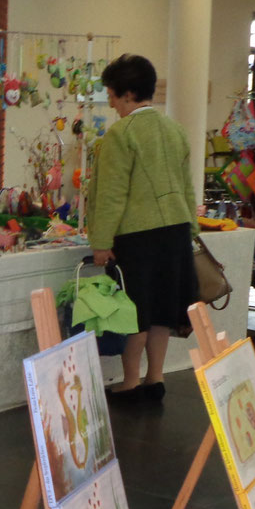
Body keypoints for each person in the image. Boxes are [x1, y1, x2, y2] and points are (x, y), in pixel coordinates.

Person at [87, 54, 198, 403]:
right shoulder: (175, 129)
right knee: (163, 309)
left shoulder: (121, 133)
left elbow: (111, 195)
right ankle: (156, 377)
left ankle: (130, 382)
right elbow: (187, 186)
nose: (110, 101)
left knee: (134, 310)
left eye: (111, 93)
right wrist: (191, 228)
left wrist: (102, 242)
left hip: (139, 235)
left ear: (127, 93)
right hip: (177, 230)